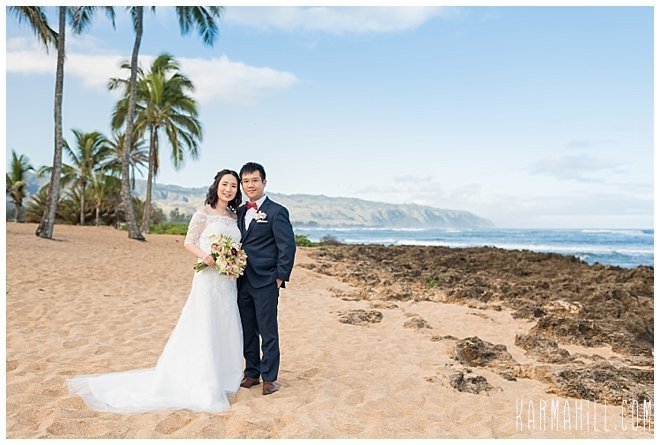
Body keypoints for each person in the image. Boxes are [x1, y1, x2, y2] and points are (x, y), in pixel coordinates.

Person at [67, 170, 245, 413]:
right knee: (204, 323)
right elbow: (188, 241)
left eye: (233, 186)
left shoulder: (235, 216)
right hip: (207, 278)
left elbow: (236, 248)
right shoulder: (203, 213)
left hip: (227, 280)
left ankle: (225, 376)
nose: (229, 189)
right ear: (216, 186)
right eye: (225, 184)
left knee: (225, 322)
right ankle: (203, 377)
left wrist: (231, 261)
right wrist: (206, 256)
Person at [237, 162, 296, 396]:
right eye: (246, 181)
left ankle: (269, 378)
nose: (250, 185)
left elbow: (287, 246)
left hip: (266, 281)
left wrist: (280, 276)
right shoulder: (240, 211)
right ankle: (252, 372)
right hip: (241, 280)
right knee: (247, 328)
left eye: (254, 180)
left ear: (264, 182)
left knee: (267, 329)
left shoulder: (276, 211)